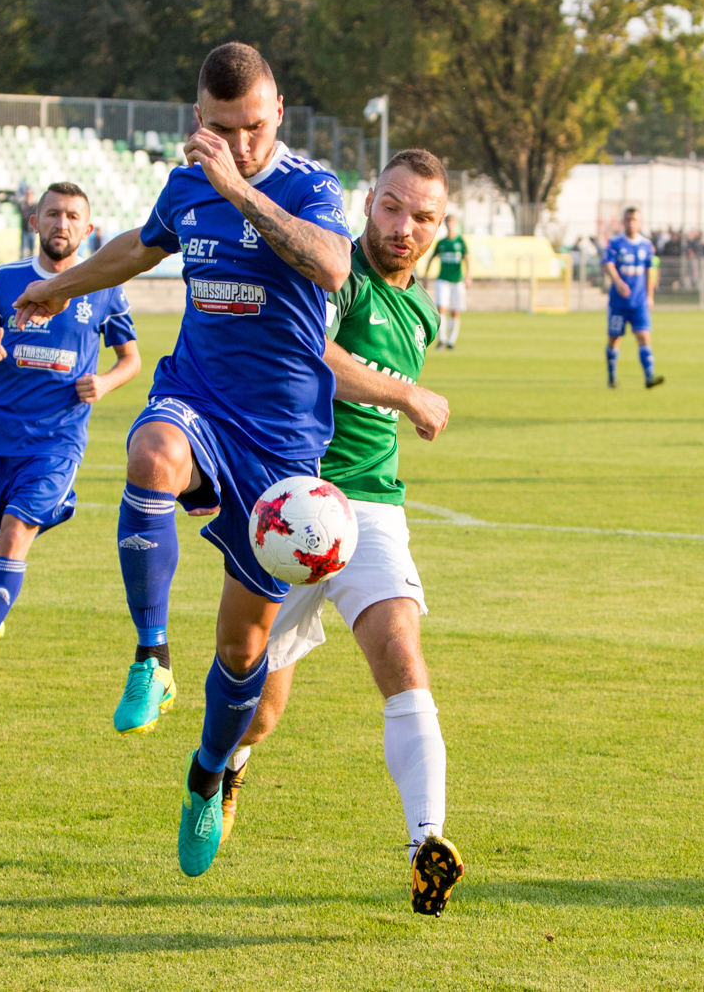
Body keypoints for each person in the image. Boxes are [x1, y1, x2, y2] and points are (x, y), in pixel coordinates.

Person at [12, 42, 357, 878]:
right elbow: (141, 244)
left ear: (278, 107)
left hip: (281, 446)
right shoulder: (186, 181)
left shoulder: (312, 187)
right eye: (222, 128)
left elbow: (333, 264)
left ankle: (207, 774)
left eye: (253, 126)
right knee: (150, 452)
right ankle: (150, 655)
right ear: (197, 117)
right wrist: (57, 289)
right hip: (197, 399)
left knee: (244, 652)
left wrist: (239, 188)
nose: (238, 142)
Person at [217, 148, 464, 916]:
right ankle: (226, 768)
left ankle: (428, 841)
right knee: (259, 705)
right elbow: (310, 354)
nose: (404, 226)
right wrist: (407, 393)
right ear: (369, 201)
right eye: (393, 206)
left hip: (372, 509)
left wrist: (401, 398)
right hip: (291, 500)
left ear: (441, 226)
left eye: (423, 216)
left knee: (399, 646)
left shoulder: (418, 308)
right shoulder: (336, 275)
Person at [0, 182, 141, 701]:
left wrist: (106, 382)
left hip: (57, 442)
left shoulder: (103, 288)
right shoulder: (7, 280)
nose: (62, 224)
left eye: (73, 216)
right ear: (35, 221)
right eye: (53, 214)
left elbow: (130, 359)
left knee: (13, 535)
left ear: (88, 229)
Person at [602, 207, 665, 389]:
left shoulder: (646, 245)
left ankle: (649, 377)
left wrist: (650, 296)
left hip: (639, 302)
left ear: (640, 222)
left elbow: (649, 270)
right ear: (624, 222)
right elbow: (607, 264)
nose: (631, 223)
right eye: (628, 219)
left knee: (644, 337)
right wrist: (617, 281)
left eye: (635, 220)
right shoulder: (615, 243)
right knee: (614, 339)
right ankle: (612, 377)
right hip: (618, 303)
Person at [425, 214, 470, 349]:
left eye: (452, 221)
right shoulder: (442, 243)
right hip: (443, 279)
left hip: (457, 281)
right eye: (448, 221)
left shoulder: (460, 241)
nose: (450, 224)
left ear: (455, 224)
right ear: (445, 224)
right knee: (441, 308)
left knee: (455, 310)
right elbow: (432, 258)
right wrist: (426, 276)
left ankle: (451, 341)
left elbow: (467, 259)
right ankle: (442, 340)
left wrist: (469, 275)